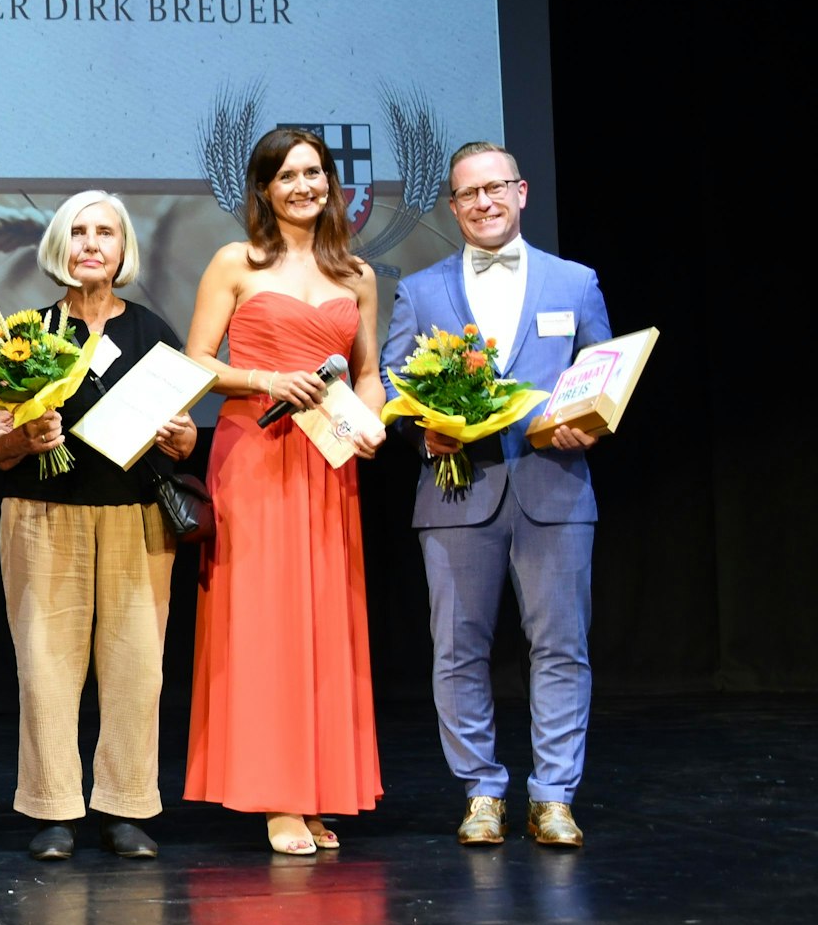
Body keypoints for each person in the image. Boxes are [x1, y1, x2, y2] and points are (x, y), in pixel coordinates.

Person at [382, 142, 609, 847]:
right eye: (468, 194)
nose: (483, 203)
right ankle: (481, 790)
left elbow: (604, 371)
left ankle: (554, 796)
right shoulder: (420, 290)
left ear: (521, 192)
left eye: (495, 189)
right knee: (456, 650)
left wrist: (590, 425)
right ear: (452, 207)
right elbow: (393, 381)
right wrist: (426, 431)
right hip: (457, 495)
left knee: (561, 648)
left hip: (556, 491)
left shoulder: (576, 282)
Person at [182, 127, 386, 855]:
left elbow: (367, 370)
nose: (304, 185)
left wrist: (375, 420)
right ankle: (276, 797)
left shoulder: (357, 274)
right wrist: (268, 378)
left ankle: (317, 791)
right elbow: (196, 362)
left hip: (329, 461)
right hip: (256, 455)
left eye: (315, 172)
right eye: (287, 175)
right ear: (264, 190)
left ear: (331, 182)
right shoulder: (236, 262)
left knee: (324, 620)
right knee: (267, 623)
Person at [0, 190, 196, 861]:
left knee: (138, 669)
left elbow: (184, 442)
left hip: (135, 521)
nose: (90, 243)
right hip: (44, 521)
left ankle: (125, 807)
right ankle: (54, 811)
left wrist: (184, 438)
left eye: (104, 231)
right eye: (77, 232)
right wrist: (27, 435)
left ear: (122, 247)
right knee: (47, 670)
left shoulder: (152, 333)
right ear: (58, 246)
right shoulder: (26, 335)